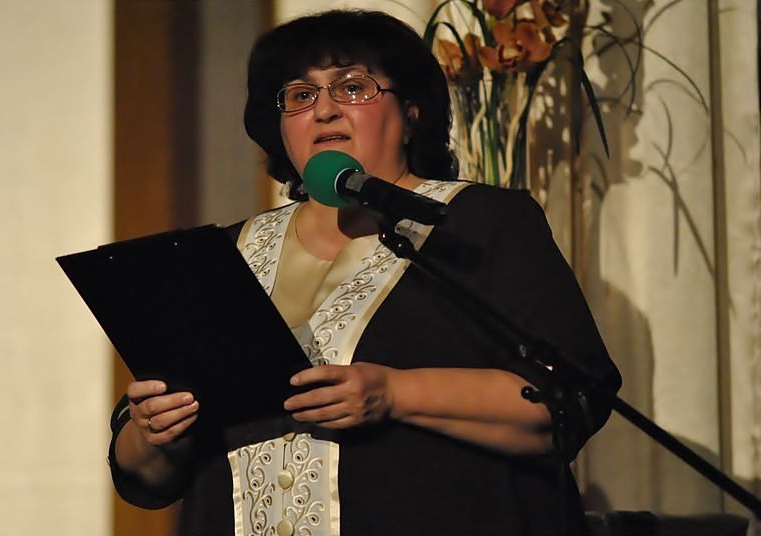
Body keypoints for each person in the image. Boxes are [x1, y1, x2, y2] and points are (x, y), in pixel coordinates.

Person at [108, 9, 621, 536]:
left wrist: (393, 392)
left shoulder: (477, 223)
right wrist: (151, 432)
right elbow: (142, 474)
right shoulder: (225, 253)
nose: (324, 110)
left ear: (412, 112)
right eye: (301, 95)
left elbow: (570, 396)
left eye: (353, 88)